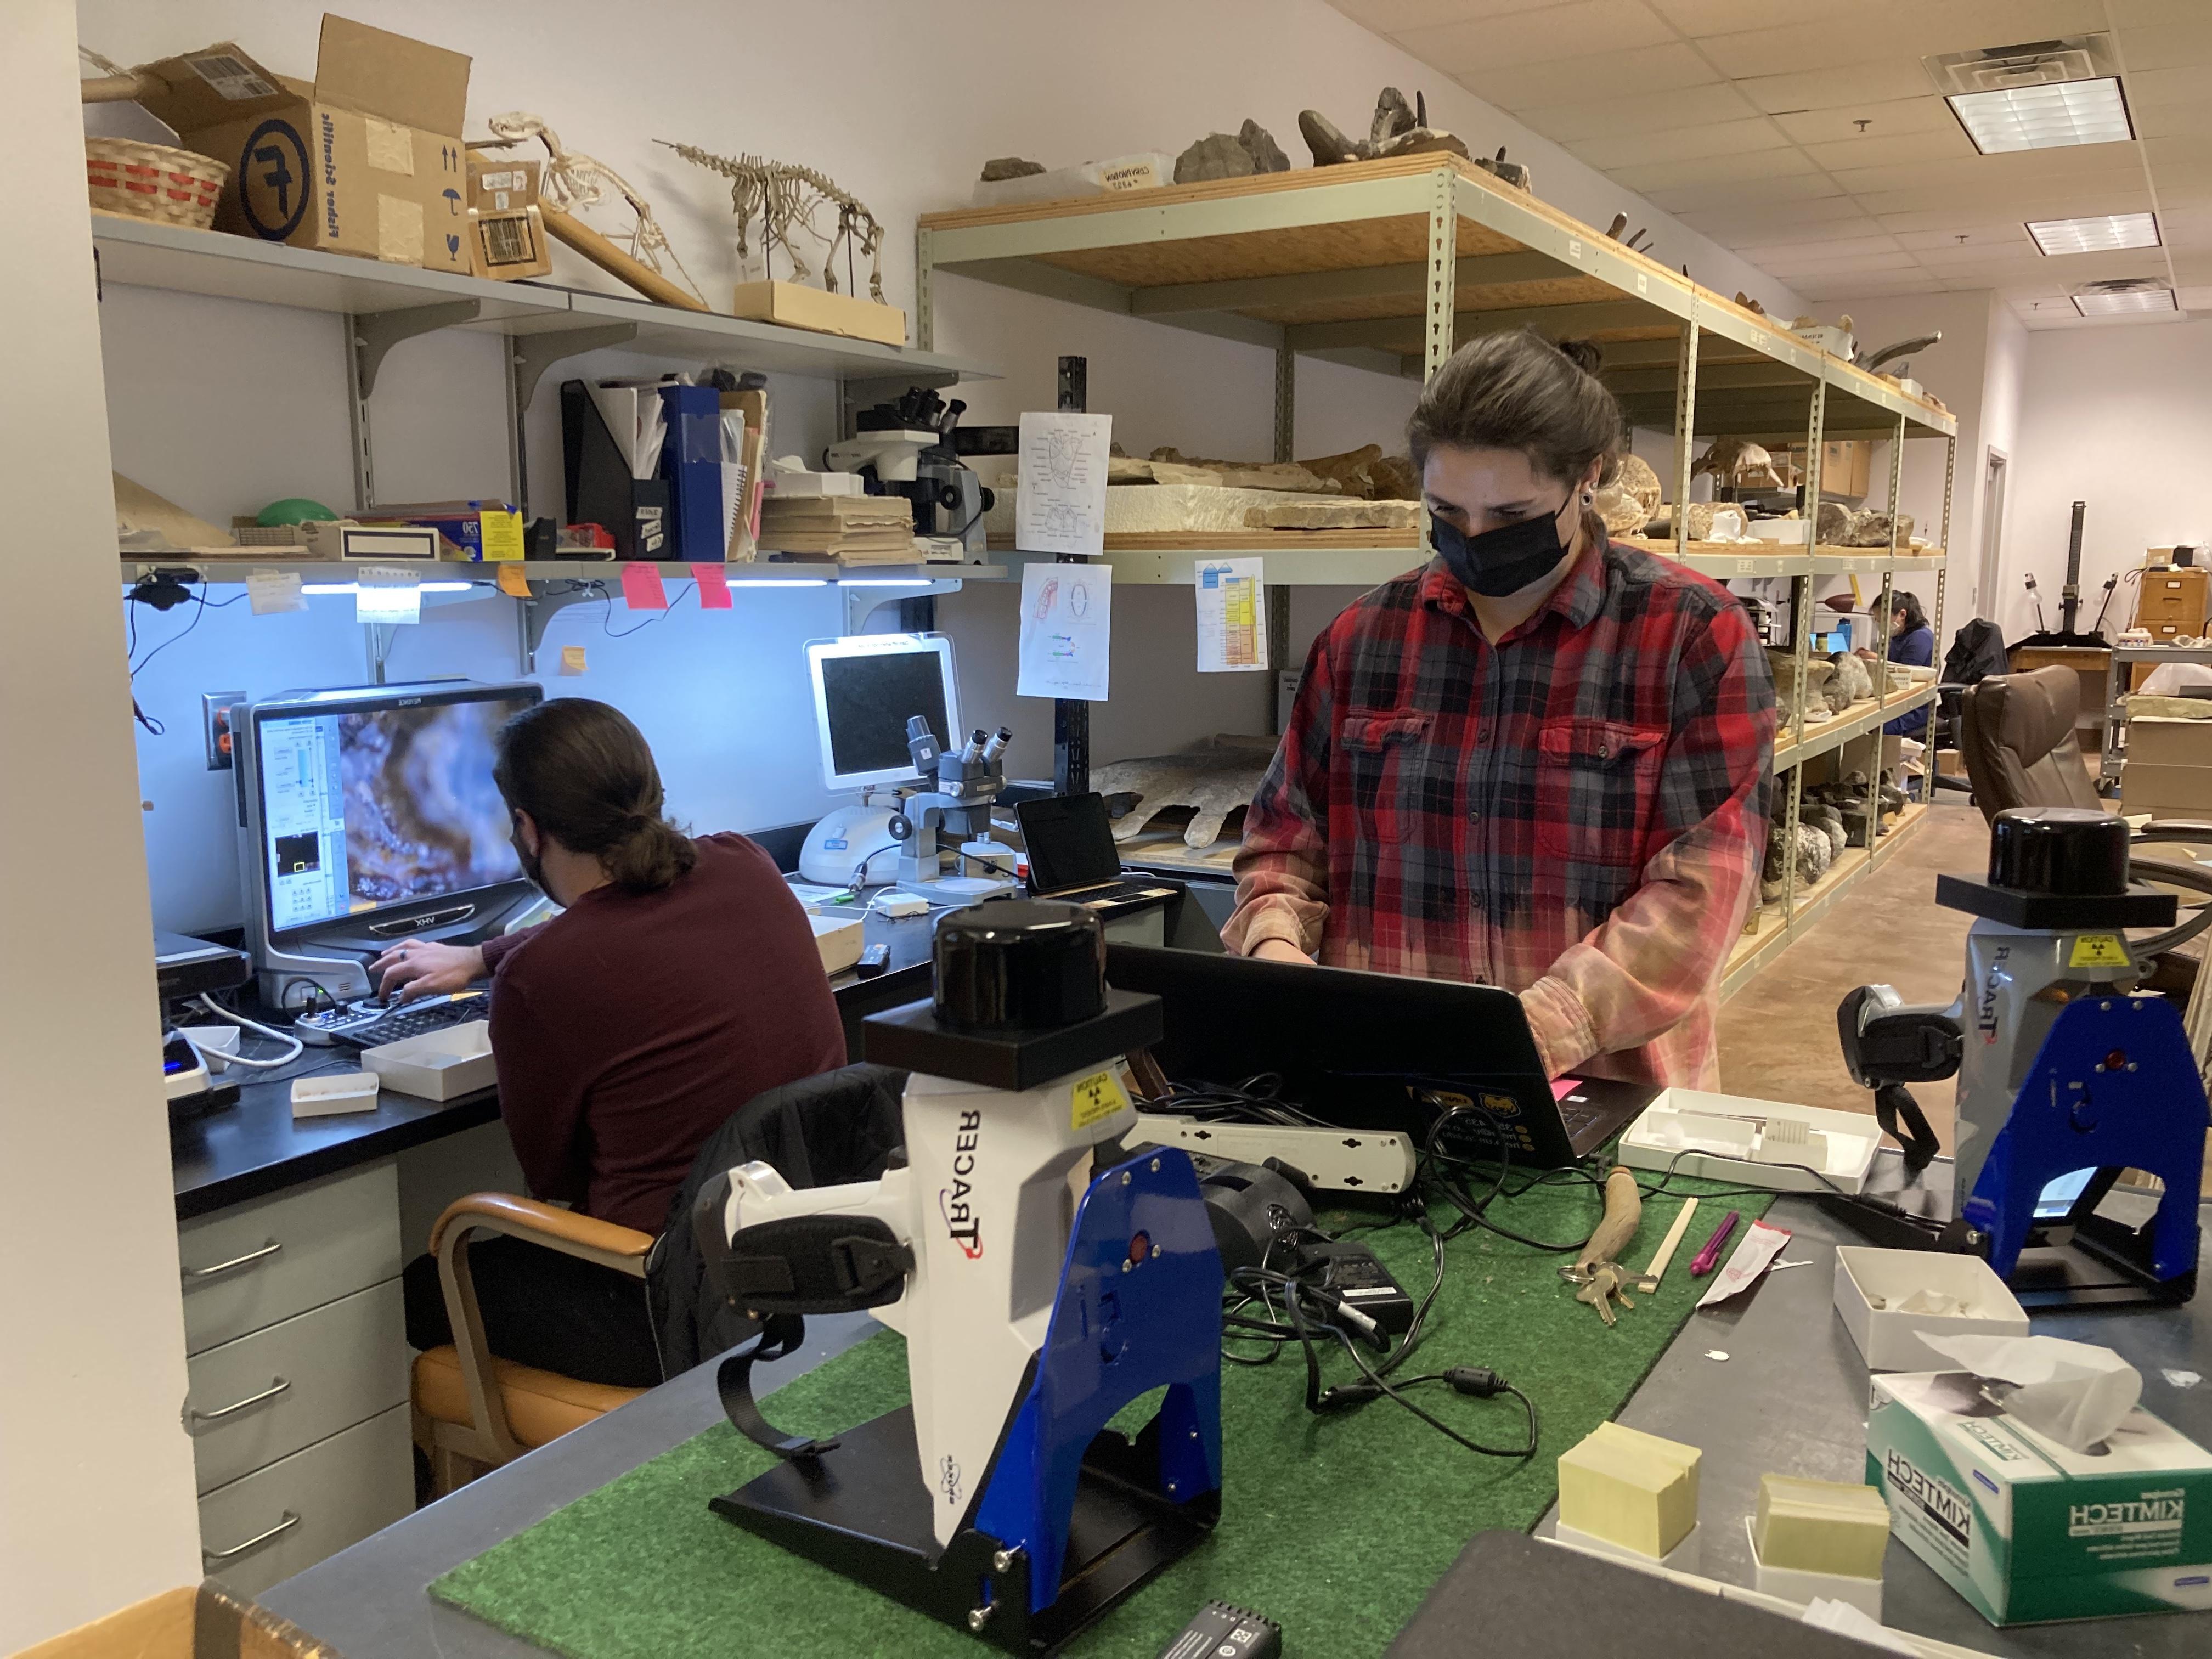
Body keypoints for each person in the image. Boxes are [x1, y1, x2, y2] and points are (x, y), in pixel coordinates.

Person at [1226, 330, 1775, 1088]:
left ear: (1587, 479)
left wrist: (1516, 1038)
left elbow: (1699, 895)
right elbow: (1283, 843)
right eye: (1448, 510)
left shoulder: (1688, 635)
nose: (1475, 539)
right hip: (1389, 1081)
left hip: (1605, 1095)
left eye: (1511, 514)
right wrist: (1277, 952)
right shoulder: (1360, 641)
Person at [377, 698, 847, 1387]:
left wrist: (508, 969)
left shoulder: (544, 981)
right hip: (810, 1252)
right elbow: (630, 914)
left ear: (528, 829)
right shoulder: (746, 863)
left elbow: (554, 1183)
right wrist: (485, 955)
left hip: (664, 1299)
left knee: (424, 1282)